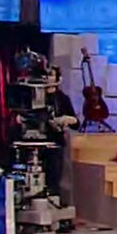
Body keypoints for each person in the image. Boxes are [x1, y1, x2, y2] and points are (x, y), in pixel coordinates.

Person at [42, 66, 80, 197]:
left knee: (54, 177)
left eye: (50, 75)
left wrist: (65, 119)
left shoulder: (62, 99)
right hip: (36, 143)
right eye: (45, 75)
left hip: (55, 143)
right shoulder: (33, 97)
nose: (47, 78)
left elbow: (76, 123)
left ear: (58, 79)